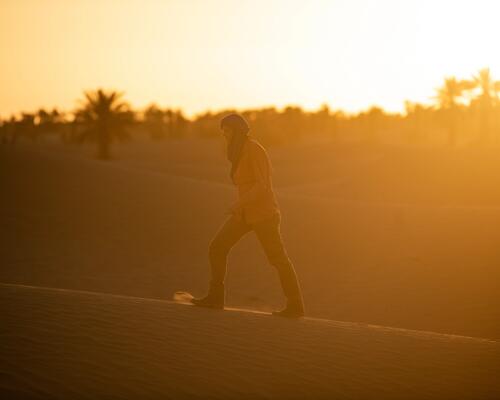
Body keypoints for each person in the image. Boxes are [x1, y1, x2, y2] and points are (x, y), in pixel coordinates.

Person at [191, 113, 305, 318]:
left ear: (238, 130)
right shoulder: (238, 152)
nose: (225, 134)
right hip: (244, 214)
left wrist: (238, 203)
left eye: (228, 130)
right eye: (223, 131)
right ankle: (216, 297)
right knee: (217, 248)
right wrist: (241, 206)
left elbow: (263, 186)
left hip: (263, 214)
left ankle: (295, 305)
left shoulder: (254, 149)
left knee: (278, 260)